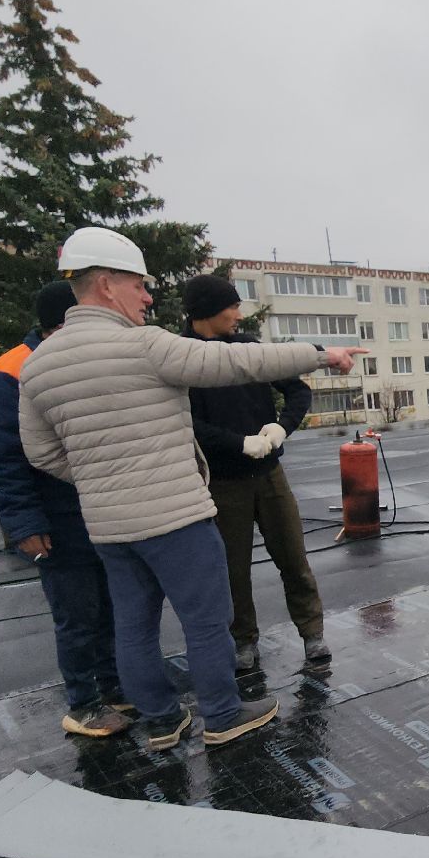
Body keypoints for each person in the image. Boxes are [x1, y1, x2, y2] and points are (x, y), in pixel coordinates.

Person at [18, 227, 366, 751]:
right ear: (108, 285)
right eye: (140, 285)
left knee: (133, 626)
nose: (149, 296)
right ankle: (223, 715)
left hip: (110, 526)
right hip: (175, 516)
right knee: (208, 621)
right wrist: (322, 353)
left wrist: (99, 478)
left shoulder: (38, 363)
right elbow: (235, 361)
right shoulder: (144, 345)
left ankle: (161, 721)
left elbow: (42, 453)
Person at [0, 280, 131, 739]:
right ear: (65, 321)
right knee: (77, 614)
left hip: (101, 511)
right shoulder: (10, 373)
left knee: (111, 607)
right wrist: (25, 522)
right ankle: (83, 704)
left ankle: (115, 687)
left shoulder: (77, 361)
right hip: (56, 519)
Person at [181, 274, 327, 672]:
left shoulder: (248, 349)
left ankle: (312, 632)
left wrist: (282, 427)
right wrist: (237, 443)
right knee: (233, 570)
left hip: (269, 476)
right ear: (210, 310)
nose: (238, 314)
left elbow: (297, 391)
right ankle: (243, 641)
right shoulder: (184, 358)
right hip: (224, 484)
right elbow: (187, 423)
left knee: (293, 556)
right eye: (232, 306)